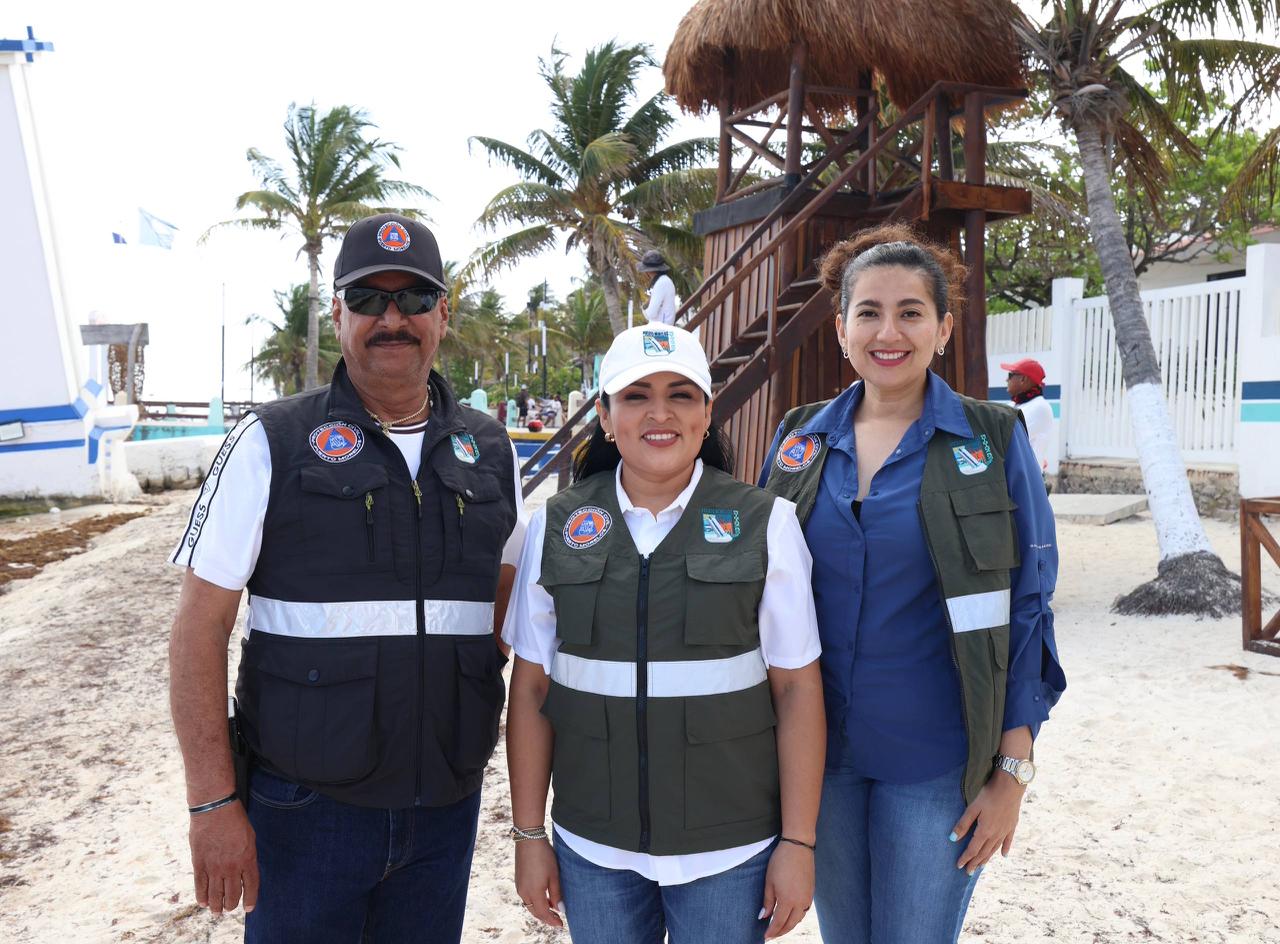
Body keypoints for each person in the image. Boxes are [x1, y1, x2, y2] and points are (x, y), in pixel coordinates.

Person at [168, 213, 526, 944]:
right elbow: (198, 632)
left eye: (413, 299)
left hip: (445, 811)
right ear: (337, 316)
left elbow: (503, 601)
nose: (391, 319)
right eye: (367, 299)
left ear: (444, 315)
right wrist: (211, 804)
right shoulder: (271, 440)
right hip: (305, 812)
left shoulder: (490, 450)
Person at [759, 224, 1066, 944]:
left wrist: (1013, 774)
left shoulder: (993, 438)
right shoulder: (799, 439)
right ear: (840, 329)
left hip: (936, 762)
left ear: (944, 328)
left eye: (910, 312)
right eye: (868, 312)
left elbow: (1027, 606)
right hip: (818, 761)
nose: (887, 331)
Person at [504, 323, 826, 943]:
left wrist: (798, 842)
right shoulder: (555, 524)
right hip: (592, 846)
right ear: (604, 414)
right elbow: (532, 692)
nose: (660, 412)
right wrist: (528, 836)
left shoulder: (768, 524)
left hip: (730, 850)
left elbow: (797, 692)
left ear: (708, 413)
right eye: (635, 395)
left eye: (681, 394)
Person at [1002, 358, 1054, 476]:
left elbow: (1006, 436)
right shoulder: (1015, 404)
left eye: (1010, 375)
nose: (1006, 379)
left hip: (1028, 478)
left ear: (1023, 379)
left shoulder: (1040, 407)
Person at [640, 250, 678, 326]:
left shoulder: (661, 283)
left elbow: (651, 314)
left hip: (660, 333)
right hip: (662, 329)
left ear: (648, 271)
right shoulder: (664, 281)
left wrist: (644, 307)